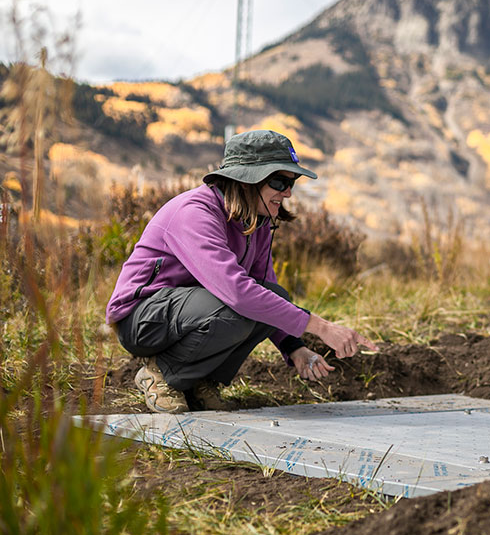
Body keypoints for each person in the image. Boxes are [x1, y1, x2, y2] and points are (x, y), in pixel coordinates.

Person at [106, 129, 377, 414]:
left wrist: (294, 348)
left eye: (291, 182)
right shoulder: (195, 213)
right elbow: (236, 292)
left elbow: (265, 289)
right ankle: (161, 373)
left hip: (189, 313)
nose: (287, 192)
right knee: (236, 307)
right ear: (247, 181)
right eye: (278, 181)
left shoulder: (256, 223)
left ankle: (196, 379)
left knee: (272, 295)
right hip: (141, 320)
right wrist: (322, 327)